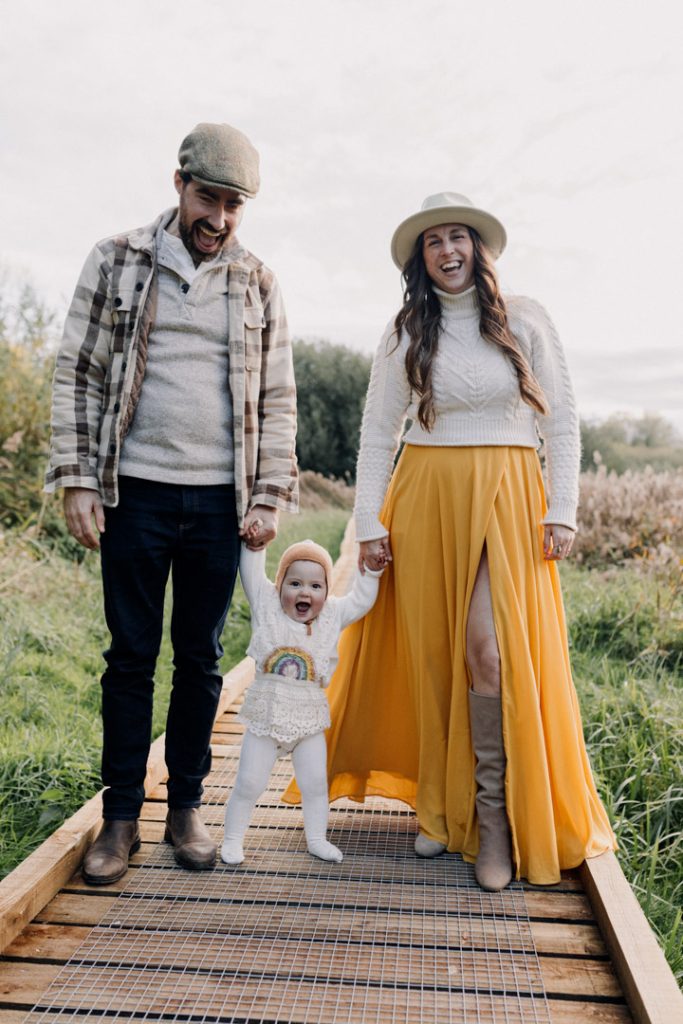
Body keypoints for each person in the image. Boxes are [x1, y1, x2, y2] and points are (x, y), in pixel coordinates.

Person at [284, 192, 615, 889]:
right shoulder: (405, 329)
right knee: (433, 655)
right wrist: (369, 520)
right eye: (432, 241)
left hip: (508, 495)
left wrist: (563, 508)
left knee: (487, 652)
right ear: (419, 257)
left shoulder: (524, 319)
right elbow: (378, 431)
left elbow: (561, 421)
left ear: (479, 247)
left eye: (457, 237)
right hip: (425, 496)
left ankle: (491, 820)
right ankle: (437, 810)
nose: (447, 251)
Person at [45, 122, 298, 884]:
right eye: (208, 198)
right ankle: (120, 819)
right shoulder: (116, 260)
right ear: (179, 184)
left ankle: (183, 807)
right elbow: (76, 372)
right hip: (135, 495)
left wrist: (269, 494)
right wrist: (77, 478)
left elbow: (278, 397)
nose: (218, 218)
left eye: (233, 205)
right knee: (129, 658)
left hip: (219, 505)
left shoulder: (257, 281)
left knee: (201, 660)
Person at [222, 538, 384, 866]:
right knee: (250, 781)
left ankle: (316, 839)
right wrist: (255, 541)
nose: (304, 593)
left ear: (326, 590)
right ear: (280, 585)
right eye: (294, 583)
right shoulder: (266, 605)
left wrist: (372, 573)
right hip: (266, 713)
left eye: (315, 585)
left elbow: (362, 600)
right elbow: (251, 572)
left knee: (314, 784)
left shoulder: (332, 615)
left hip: (308, 718)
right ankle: (232, 839)